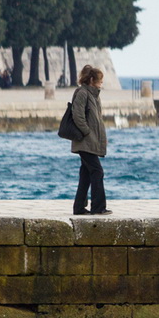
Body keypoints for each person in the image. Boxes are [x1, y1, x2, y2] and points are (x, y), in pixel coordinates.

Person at [70, 65, 111, 215]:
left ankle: (79, 208)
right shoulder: (82, 93)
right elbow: (78, 116)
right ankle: (98, 207)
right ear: (92, 80)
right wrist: (88, 133)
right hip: (85, 141)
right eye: (100, 81)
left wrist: (101, 138)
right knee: (97, 171)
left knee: (86, 175)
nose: (101, 84)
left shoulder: (94, 95)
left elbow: (97, 120)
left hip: (91, 141)